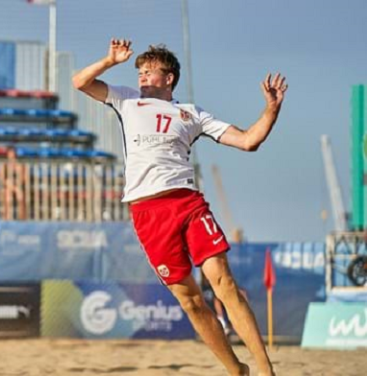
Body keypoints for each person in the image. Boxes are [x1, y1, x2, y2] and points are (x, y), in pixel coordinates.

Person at [73, 39, 286, 376]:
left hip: (186, 202)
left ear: (168, 78)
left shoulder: (192, 113)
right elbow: (80, 82)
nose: (142, 76)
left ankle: (266, 371)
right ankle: (237, 370)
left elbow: (248, 141)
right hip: (147, 213)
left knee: (224, 284)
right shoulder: (127, 99)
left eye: (149, 71)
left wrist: (271, 109)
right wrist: (110, 60)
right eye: (139, 71)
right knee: (191, 302)